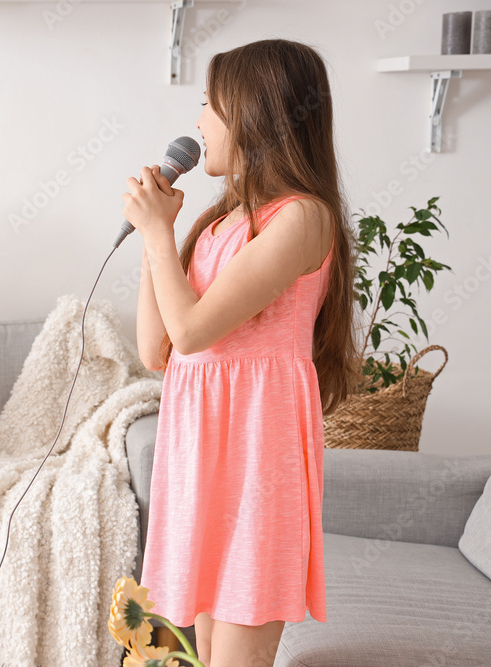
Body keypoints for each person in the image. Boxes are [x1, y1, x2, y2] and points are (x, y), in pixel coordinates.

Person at [123, 40, 361, 667]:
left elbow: (196, 330)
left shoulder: (303, 218)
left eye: (209, 104)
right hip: (199, 449)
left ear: (255, 114)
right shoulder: (220, 218)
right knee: (197, 653)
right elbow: (158, 347)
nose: (198, 122)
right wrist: (159, 238)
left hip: (257, 452)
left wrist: (156, 231)